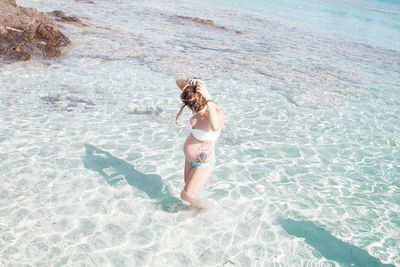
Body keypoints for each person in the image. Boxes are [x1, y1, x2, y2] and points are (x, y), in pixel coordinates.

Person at [175, 78, 224, 211]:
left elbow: (215, 126)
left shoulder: (216, 113)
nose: (193, 108)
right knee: (190, 191)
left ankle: (206, 208)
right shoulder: (196, 106)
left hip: (203, 163)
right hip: (190, 160)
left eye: (195, 105)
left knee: (186, 195)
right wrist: (190, 81)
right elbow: (178, 81)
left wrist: (208, 96)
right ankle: (195, 210)